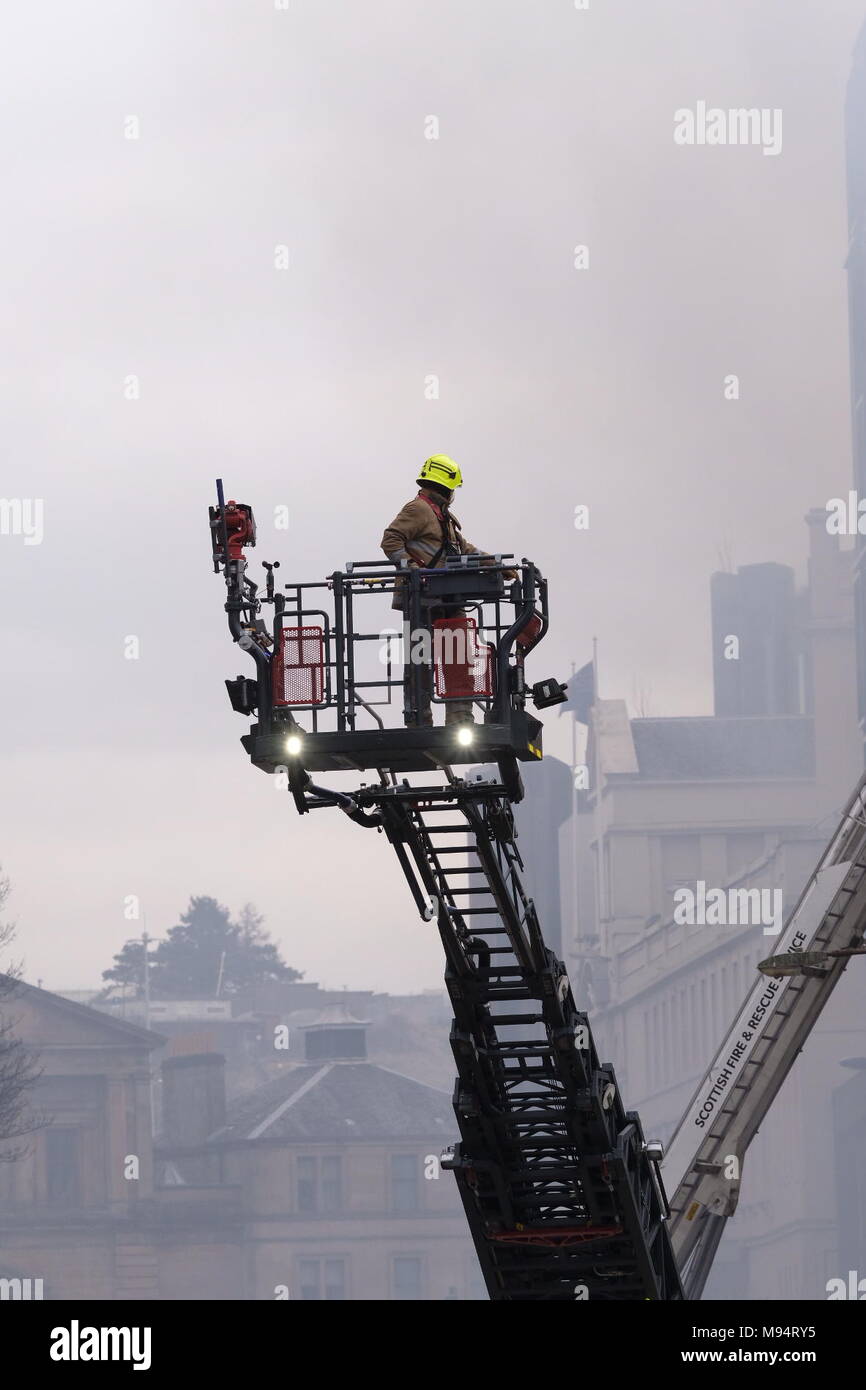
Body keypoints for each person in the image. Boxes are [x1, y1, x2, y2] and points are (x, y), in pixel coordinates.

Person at [380, 455, 491, 727]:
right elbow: (390, 540)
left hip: (447, 597)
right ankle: (418, 719)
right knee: (420, 661)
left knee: (458, 659)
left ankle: (460, 720)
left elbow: (463, 549)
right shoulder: (418, 509)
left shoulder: (443, 517)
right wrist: (413, 571)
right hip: (422, 599)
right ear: (449, 488)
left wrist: (494, 563)